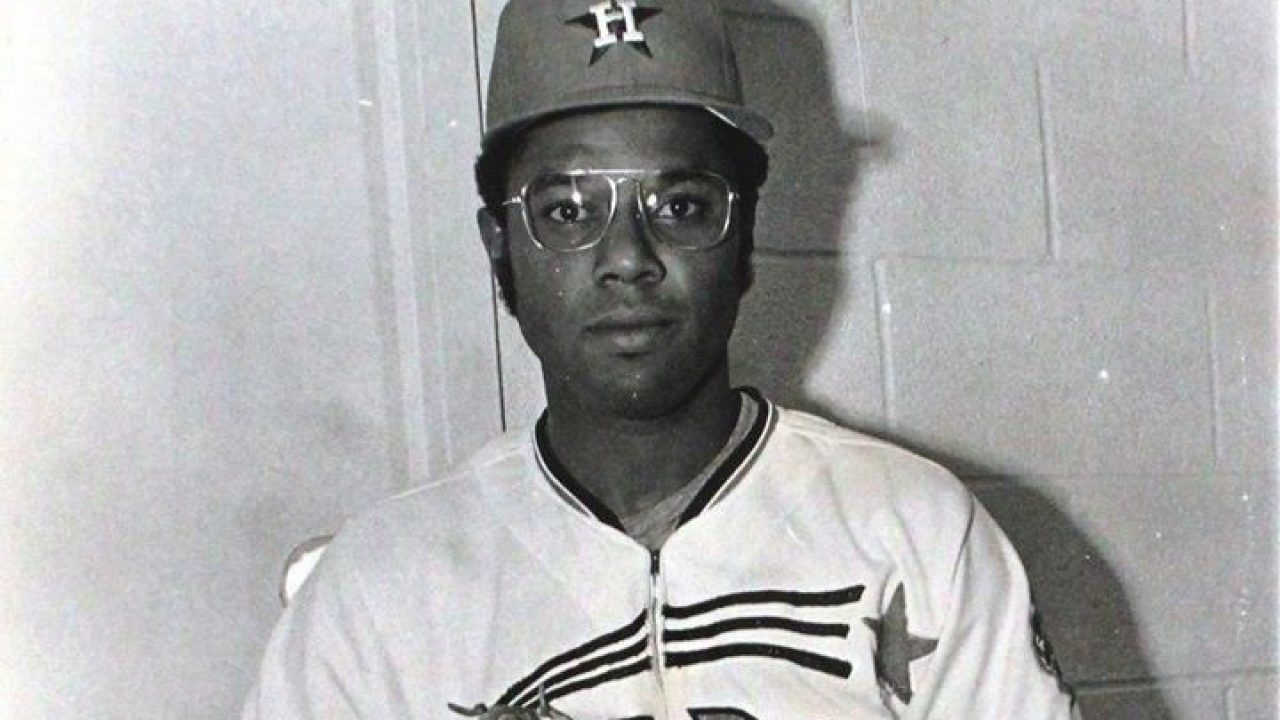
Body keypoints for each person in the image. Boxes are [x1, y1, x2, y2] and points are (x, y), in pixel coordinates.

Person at [242, 1, 1081, 718]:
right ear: (500, 246)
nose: (628, 258)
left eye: (680, 205)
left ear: (744, 237)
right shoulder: (377, 588)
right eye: (568, 210)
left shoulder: (917, 530)